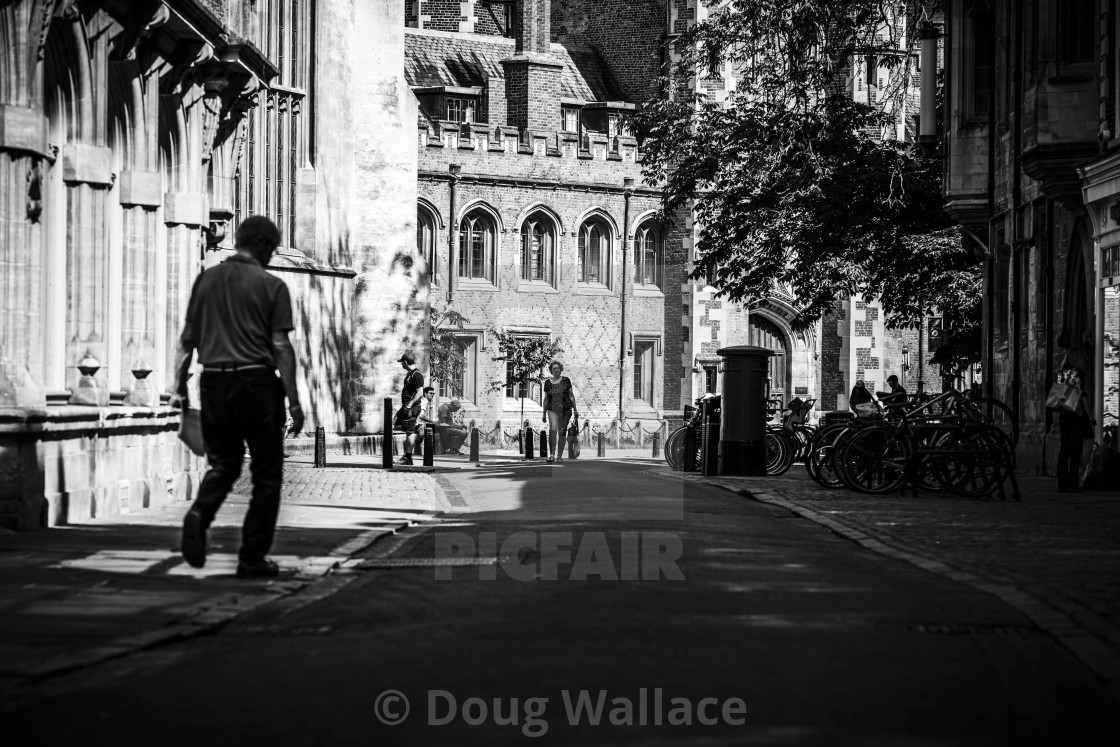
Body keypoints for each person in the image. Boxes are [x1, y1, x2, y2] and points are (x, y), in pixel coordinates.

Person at [171, 216, 303, 579]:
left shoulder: (206, 280)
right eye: (272, 249)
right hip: (256, 385)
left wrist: (178, 385)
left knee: (224, 464)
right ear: (262, 245)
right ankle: (252, 557)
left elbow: (187, 339)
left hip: (213, 383)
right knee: (267, 476)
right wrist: (294, 400)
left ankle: (200, 513)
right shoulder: (272, 286)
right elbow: (280, 345)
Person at [1056, 366, 1095, 492]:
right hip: (1076, 423)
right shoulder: (1080, 392)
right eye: (1075, 376)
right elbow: (1087, 408)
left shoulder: (1063, 391)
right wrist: (1091, 420)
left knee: (1064, 451)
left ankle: (1062, 484)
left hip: (1064, 421)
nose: (1076, 379)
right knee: (1075, 452)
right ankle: (1073, 483)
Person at [542, 361, 578, 463]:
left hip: (565, 410)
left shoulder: (566, 380)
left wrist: (575, 410)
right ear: (551, 370)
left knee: (562, 432)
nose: (556, 370)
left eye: (558, 368)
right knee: (553, 430)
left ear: (561, 369)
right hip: (552, 410)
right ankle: (552, 455)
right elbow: (545, 399)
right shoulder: (548, 383)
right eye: (554, 368)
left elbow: (571, 395)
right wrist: (544, 413)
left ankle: (559, 456)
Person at [398, 387, 436, 465]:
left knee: (414, 440)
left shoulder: (422, 401)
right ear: (425, 393)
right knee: (414, 439)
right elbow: (421, 415)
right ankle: (407, 457)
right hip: (417, 424)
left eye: (433, 393)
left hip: (414, 424)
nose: (432, 395)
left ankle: (408, 457)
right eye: (430, 393)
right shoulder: (424, 401)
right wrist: (431, 421)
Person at [394, 353, 424, 429]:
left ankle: (419, 429)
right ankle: (416, 428)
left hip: (412, 407)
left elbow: (420, 392)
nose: (401, 364)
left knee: (408, 431)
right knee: (395, 423)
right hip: (406, 406)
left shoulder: (416, 374)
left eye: (402, 362)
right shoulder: (410, 374)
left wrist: (409, 405)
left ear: (406, 362)